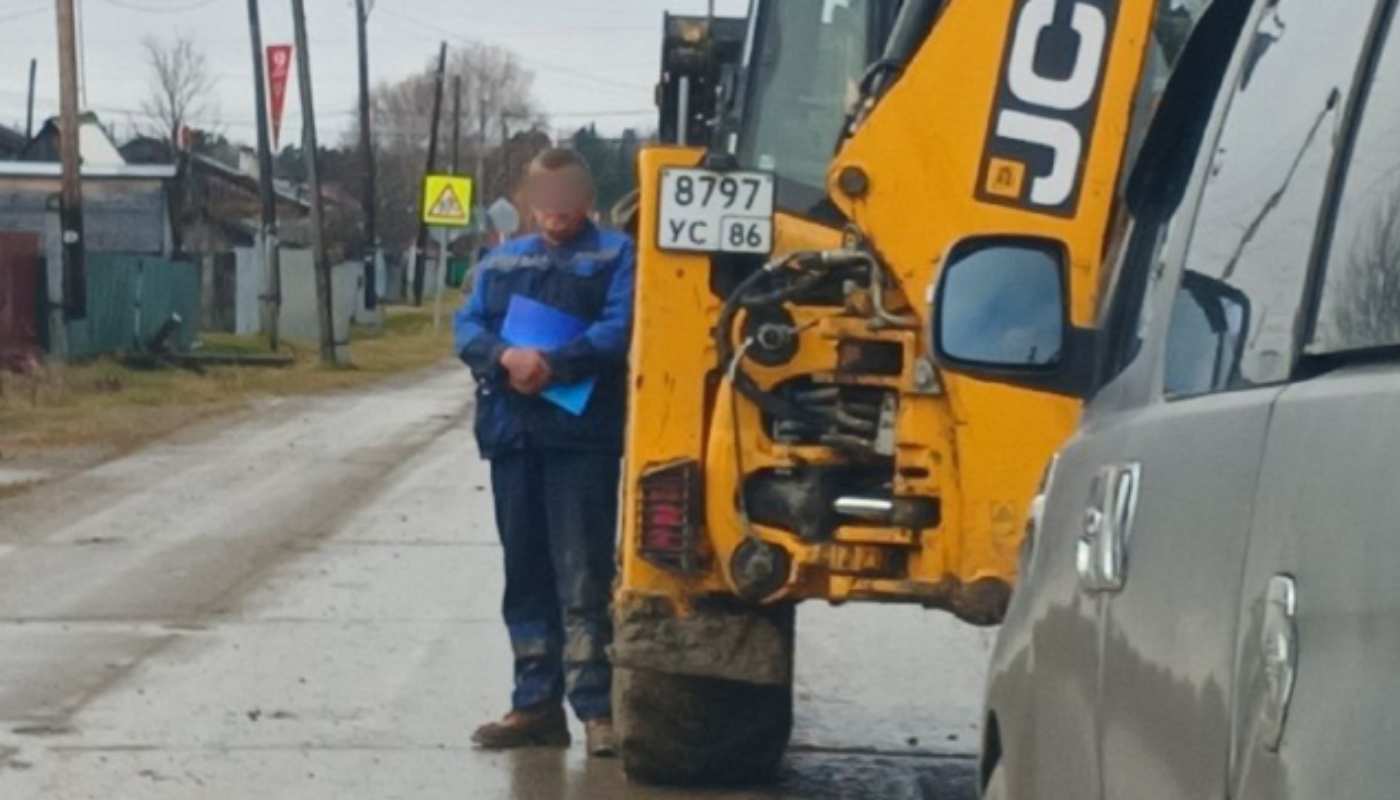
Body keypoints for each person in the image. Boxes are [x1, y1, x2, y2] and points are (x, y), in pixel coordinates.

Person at [453, 147, 634, 757]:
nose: (557, 209)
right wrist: (507, 357)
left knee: (583, 573)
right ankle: (534, 705)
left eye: (568, 196)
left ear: (585, 199)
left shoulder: (617, 256)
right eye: (545, 197)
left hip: (580, 439)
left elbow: (620, 328)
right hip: (513, 434)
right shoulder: (500, 260)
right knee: (525, 573)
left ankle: (596, 711)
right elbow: (468, 328)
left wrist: (553, 364)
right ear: (531, 201)